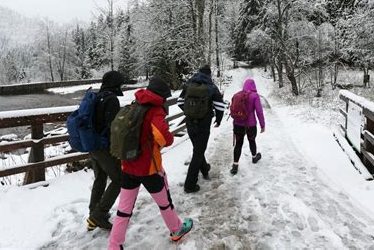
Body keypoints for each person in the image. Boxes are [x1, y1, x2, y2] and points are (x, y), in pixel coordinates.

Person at [108, 77, 193, 250]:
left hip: (128, 166)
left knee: (124, 210)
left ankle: (114, 245)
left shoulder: (135, 104)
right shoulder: (156, 111)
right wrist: (168, 138)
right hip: (148, 169)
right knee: (164, 203)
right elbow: (162, 137)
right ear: (161, 96)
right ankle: (176, 230)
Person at [177, 65, 225, 193]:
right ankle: (190, 185)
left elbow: (180, 102)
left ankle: (205, 169)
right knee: (198, 152)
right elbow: (220, 106)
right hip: (203, 124)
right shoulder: (211, 87)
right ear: (209, 74)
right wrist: (218, 120)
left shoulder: (188, 85)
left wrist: (190, 112)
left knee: (198, 148)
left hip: (190, 123)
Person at [86, 71, 124, 231]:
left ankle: (93, 213)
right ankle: (99, 215)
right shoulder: (111, 99)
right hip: (103, 147)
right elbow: (113, 127)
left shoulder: (97, 96)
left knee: (100, 179)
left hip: (92, 144)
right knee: (119, 179)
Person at [230, 78, 265, 175]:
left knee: (238, 144)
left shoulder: (237, 95)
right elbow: (259, 112)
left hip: (238, 124)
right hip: (250, 125)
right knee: (252, 141)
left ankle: (235, 165)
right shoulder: (255, 96)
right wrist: (262, 125)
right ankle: (254, 157)